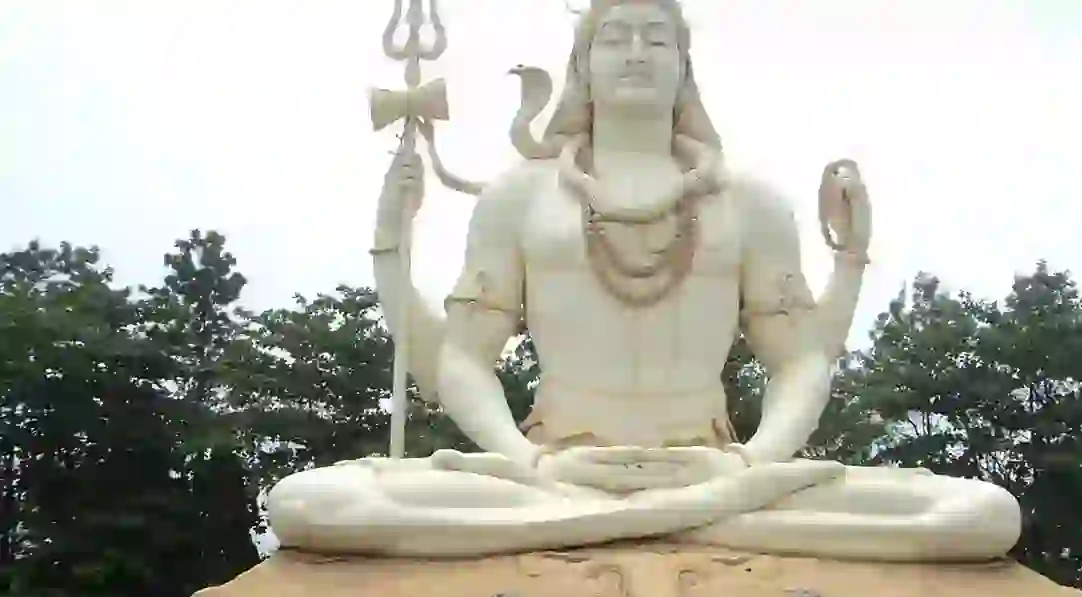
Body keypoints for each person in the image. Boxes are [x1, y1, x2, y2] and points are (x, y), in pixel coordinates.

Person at [266, 0, 1023, 564]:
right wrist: (527, 461)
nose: (635, 51)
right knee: (308, 502)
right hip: (550, 471)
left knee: (984, 512)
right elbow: (462, 361)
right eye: (615, 36)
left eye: (656, 36)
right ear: (583, 65)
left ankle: (661, 514)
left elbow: (799, 361)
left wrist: (754, 464)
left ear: (683, 65)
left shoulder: (749, 202)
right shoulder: (520, 196)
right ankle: (651, 517)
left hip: (714, 470)